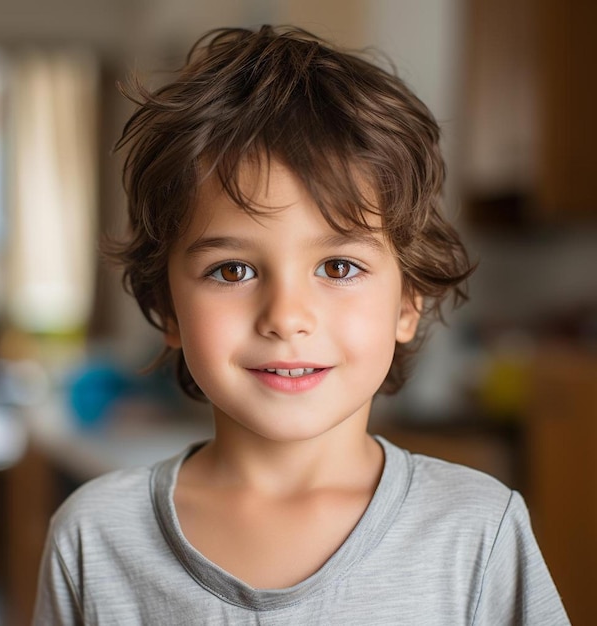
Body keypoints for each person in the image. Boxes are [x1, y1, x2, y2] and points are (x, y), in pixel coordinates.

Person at [33, 25, 569, 625]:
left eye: (338, 266)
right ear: (167, 308)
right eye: (232, 269)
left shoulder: (479, 531)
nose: (286, 316)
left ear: (406, 303)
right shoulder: (95, 535)